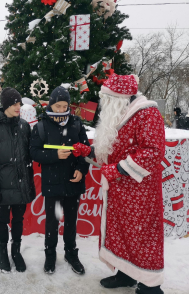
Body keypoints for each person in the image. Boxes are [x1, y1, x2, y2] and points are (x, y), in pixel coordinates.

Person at [73, 74, 165, 294]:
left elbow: (153, 152)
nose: (103, 104)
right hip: (119, 191)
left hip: (140, 193)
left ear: (119, 98)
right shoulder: (121, 113)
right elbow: (113, 149)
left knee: (143, 237)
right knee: (122, 234)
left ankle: (150, 286)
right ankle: (125, 273)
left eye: (106, 99)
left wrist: (117, 170)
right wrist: (89, 151)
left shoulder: (147, 113)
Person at [30, 86, 90, 275]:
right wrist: (55, 155)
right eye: (57, 106)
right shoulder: (41, 125)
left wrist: (81, 169)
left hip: (73, 182)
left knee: (71, 221)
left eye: (65, 106)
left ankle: (71, 253)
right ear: (51, 104)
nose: (61, 110)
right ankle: (50, 254)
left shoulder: (76, 123)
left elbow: (86, 150)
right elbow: (34, 152)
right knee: (53, 222)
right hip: (53, 184)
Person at [0, 88, 36, 273]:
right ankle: (2, 252)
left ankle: (16, 251)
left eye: (19, 103)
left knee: (19, 219)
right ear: (6, 105)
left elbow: (30, 154)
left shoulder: (24, 126)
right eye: (14, 103)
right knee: (3, 220)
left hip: (21, 184)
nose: (18, 107)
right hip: (3, 186)